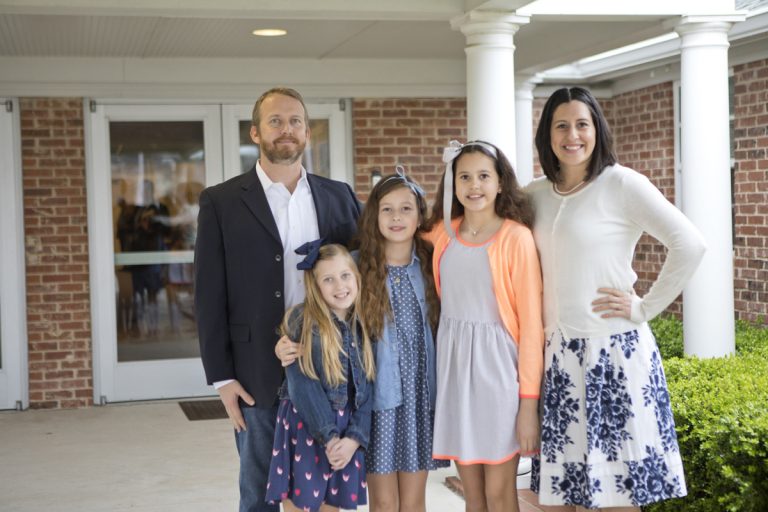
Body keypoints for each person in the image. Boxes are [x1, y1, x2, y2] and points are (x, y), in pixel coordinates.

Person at [526, 86, 706, 511]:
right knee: (563, 498)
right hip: (559, 360)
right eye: (561, 126)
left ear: (597, 130)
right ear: (547, 134)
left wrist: (645, 307)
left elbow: (690, 244)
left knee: (618, 498)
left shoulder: (623, 183)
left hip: (613, 358)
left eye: (582, 124)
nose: (572, 135)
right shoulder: (533, 194)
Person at [194, 87, 362, 512]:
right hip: (256, 374)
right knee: (259, 495)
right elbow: (208, 294)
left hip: (328, 370)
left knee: (327, 496)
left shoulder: (339, 195)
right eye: (275, 121)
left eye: (295, 121)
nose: (286, 129)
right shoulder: (221, 202)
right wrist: (222, 379)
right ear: (255, 132)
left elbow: (359, 277)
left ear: (307, 132)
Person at [275, 168, 450, 511]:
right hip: (374, 401)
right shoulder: (356, 266)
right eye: (387, 209)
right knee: (383, 502)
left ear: (420, 216)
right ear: (374, 216)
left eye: (406, 208)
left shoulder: (432, 264)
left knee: (414, 501)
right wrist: (286, 340)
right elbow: (319, 309)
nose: (396, 217)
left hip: (419, 399)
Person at [426, 140, 544, 512]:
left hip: (500, 376)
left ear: (500, 183)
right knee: (473, 497)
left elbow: (531, 325)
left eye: (483, 176)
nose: (474, 185)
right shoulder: (442, 233)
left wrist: (528, 404)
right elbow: (390, 235)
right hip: (455, 375)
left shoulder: (516, 237)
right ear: (453, 184)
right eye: (464, 177)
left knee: (499, 494)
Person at [266, 243, 375, 512]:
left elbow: (368, 389)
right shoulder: (301, 321)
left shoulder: (363, 324)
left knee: (330, 507)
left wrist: (353, 439)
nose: (340, 286)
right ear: (315, 287)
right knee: (300, 505)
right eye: (328, 279)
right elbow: (302, 384)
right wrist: (330, 437)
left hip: (345, 435)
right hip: (306, 426)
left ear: (356, 277)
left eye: (345, 275)